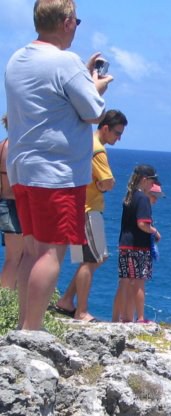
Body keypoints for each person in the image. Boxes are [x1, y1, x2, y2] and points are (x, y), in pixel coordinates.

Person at [4, 0, 111, 330]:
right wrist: (95, 82)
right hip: (57, 173)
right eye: (76, 22)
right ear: (66, 23)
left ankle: (25, 324)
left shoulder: (17, 59)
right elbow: (93, 110)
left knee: (32, 250)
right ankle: (32, 329)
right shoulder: (65, 62)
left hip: (23, 167)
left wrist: (81, 71)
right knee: (52, 252)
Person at [54, 109, 127, 322]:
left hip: (77, 206)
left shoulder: (84, 142)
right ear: (105, 128)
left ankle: (67, 300)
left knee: (96, 257)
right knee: (90, 259)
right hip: (88, 208)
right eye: (117, 133)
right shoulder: (98, 150)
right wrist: (103, 185)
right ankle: (81, 311)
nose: (119, 138)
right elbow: (108, 182)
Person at [113, 165, 161, 323]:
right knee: (139, 282)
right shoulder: (142, 198)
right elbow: (142, 223)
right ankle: (140, 317)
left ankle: (121, 317)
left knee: (125, 282)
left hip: (125, 244)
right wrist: (154, 232)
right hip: (138, 246)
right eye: (152, 180)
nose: (152, 184)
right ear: (145, 180)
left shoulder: (130, 195)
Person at [0, 114, 23, 290]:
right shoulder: (15, 148)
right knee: (15, 257)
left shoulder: (2, 146)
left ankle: (11, 297)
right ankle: (5, 300)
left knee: (17, 256)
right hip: (11, 204)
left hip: (6, 203)